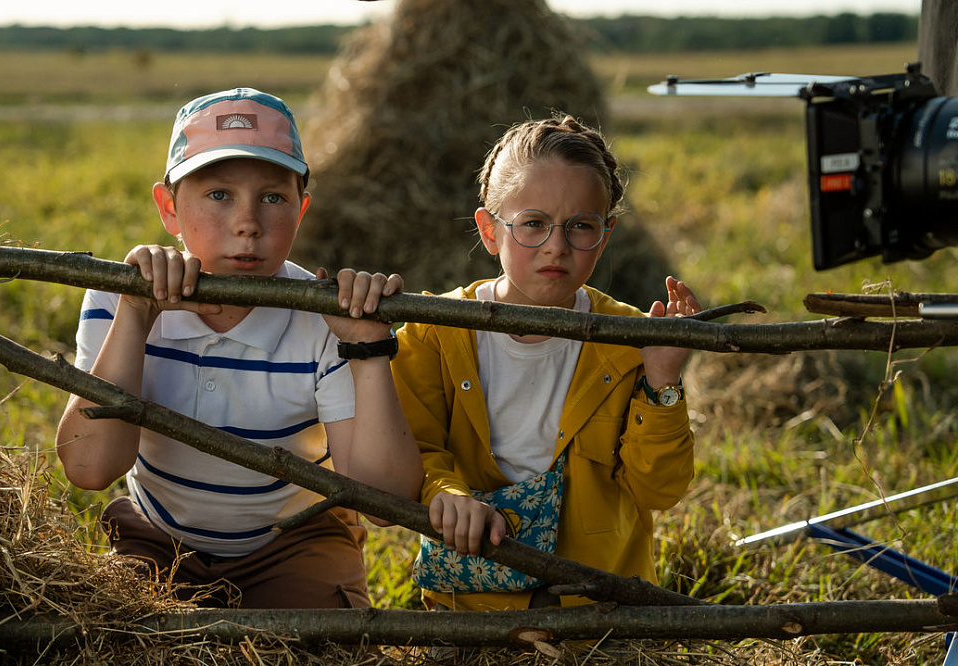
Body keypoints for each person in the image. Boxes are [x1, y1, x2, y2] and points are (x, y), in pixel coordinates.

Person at [55, 87, 422, 609]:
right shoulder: (119, 299)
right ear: (169, 208)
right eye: (219, 194)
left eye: (273, 197)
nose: (248, 222)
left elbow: (385, 501)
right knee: (110, 632)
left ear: (302, 208)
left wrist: (367, 349)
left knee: (320, 644)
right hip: (158, 535)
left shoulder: (325, 321)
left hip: (292, 540)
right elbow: (89, 470)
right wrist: (137, 315)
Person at [392, 115, 702, 611]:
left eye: (580, 226)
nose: (557, 245)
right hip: (470, 611)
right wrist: (446, 492)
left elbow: (659, 490)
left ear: (605, 234)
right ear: (489, 230)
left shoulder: (628, 338)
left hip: (601, 612)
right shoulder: (435, 331)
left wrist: (662, 380)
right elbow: (414, 449)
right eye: (533, 224)